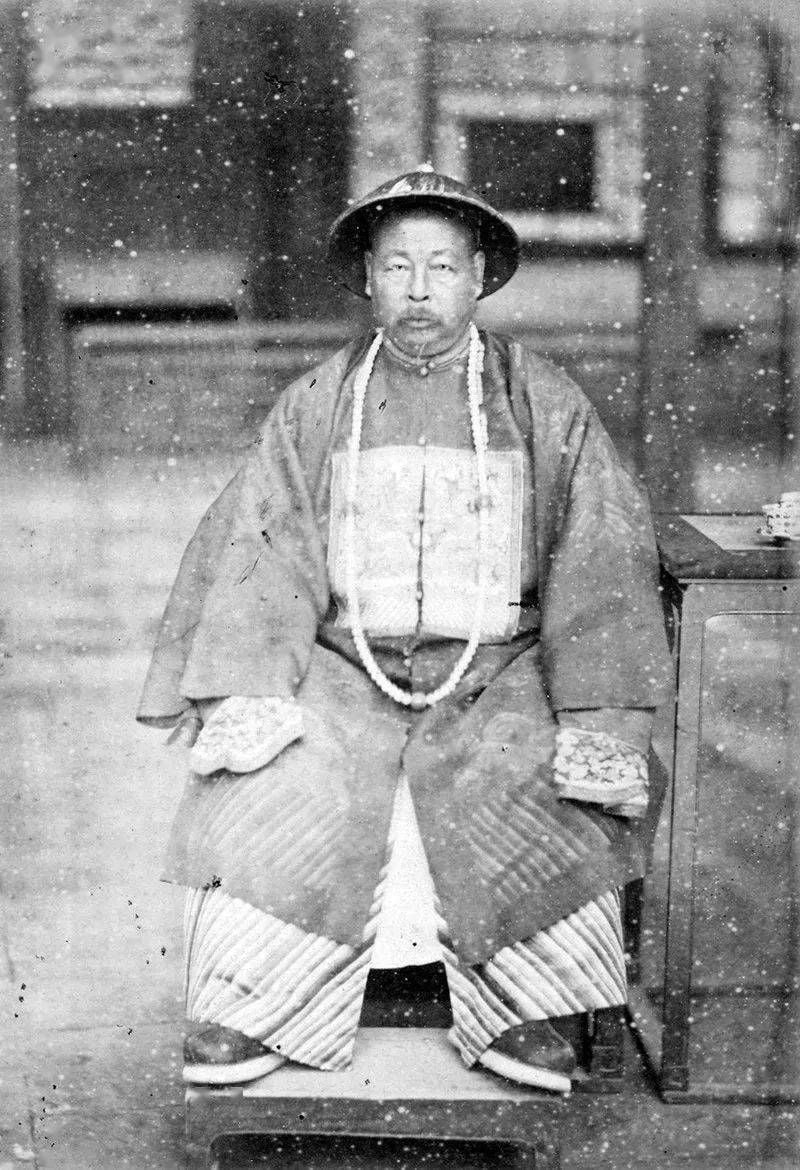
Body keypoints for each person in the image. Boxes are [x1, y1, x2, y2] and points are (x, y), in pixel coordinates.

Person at [138, 167, 672, 1094]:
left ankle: (530, 1008)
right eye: (397, 267)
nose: (419, 291)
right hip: (345, 661)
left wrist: (599, 705)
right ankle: (253, 1006)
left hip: (499, 666)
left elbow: (599, 550)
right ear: (369, 280)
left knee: (529, 769)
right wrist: (253, 685)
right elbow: (265, 549)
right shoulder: (318, 400)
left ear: (478, 279)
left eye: (441, 267)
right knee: (281, 774)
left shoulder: (541, 399)